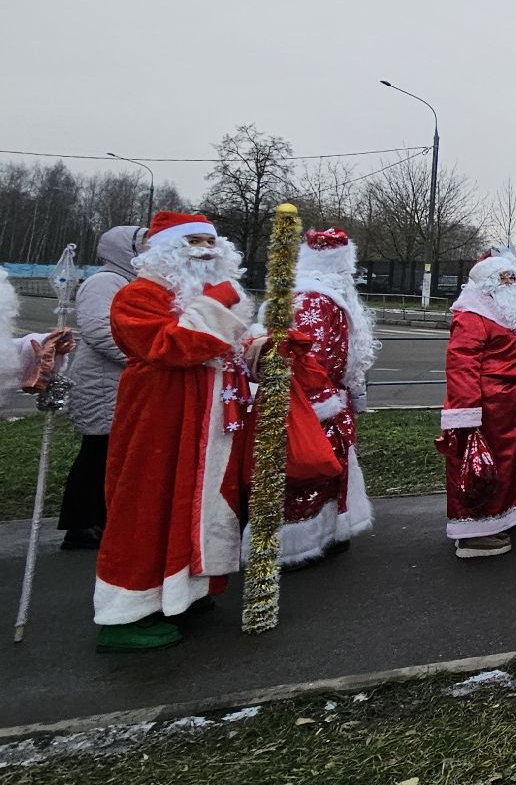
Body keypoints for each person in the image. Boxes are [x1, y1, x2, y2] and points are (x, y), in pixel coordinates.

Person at [94, 212, 260, 652]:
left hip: (211, 425)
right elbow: (170, 346)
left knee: (202, 504)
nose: (205, 249)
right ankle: (124, 612)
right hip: (160, 422)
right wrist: (219, 304)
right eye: (193, 242)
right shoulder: (138, 295)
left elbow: (232, 350)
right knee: (148, 507)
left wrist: (264, 349)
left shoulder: (212, 296)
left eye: (210, 240)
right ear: (163, 249)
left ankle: (184, 591)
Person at [438, 248, 516, 559]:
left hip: (512, 407)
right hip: (488, 408)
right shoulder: (474, 315)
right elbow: (462, 364)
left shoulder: (507, 312)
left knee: (507, 467)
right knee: (482, 468)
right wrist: (466, 417)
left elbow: (513, 353)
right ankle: (476, 534)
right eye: (504, 278)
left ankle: (504, 516)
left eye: (513, 277)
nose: (511, 282)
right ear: (488, 284)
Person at [276, 228, 379, 567]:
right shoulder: (315, 299)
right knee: (309, 469)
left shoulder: (325, 297)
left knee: (330, 466)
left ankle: (329, 531)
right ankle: (296, 545)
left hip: (331, 398)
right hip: (314, 403)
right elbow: (309, 356)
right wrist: (321, 399)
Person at [62, 225, 145, 550]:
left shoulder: (129, 282)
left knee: (114, 454)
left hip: (120, 381)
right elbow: (98, 330)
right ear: (125, 249)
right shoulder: (105, 282)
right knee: (97, 452)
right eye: (143, 244)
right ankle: (80, 524)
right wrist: (144, 357)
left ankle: (101, 518)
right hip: (100, 382)